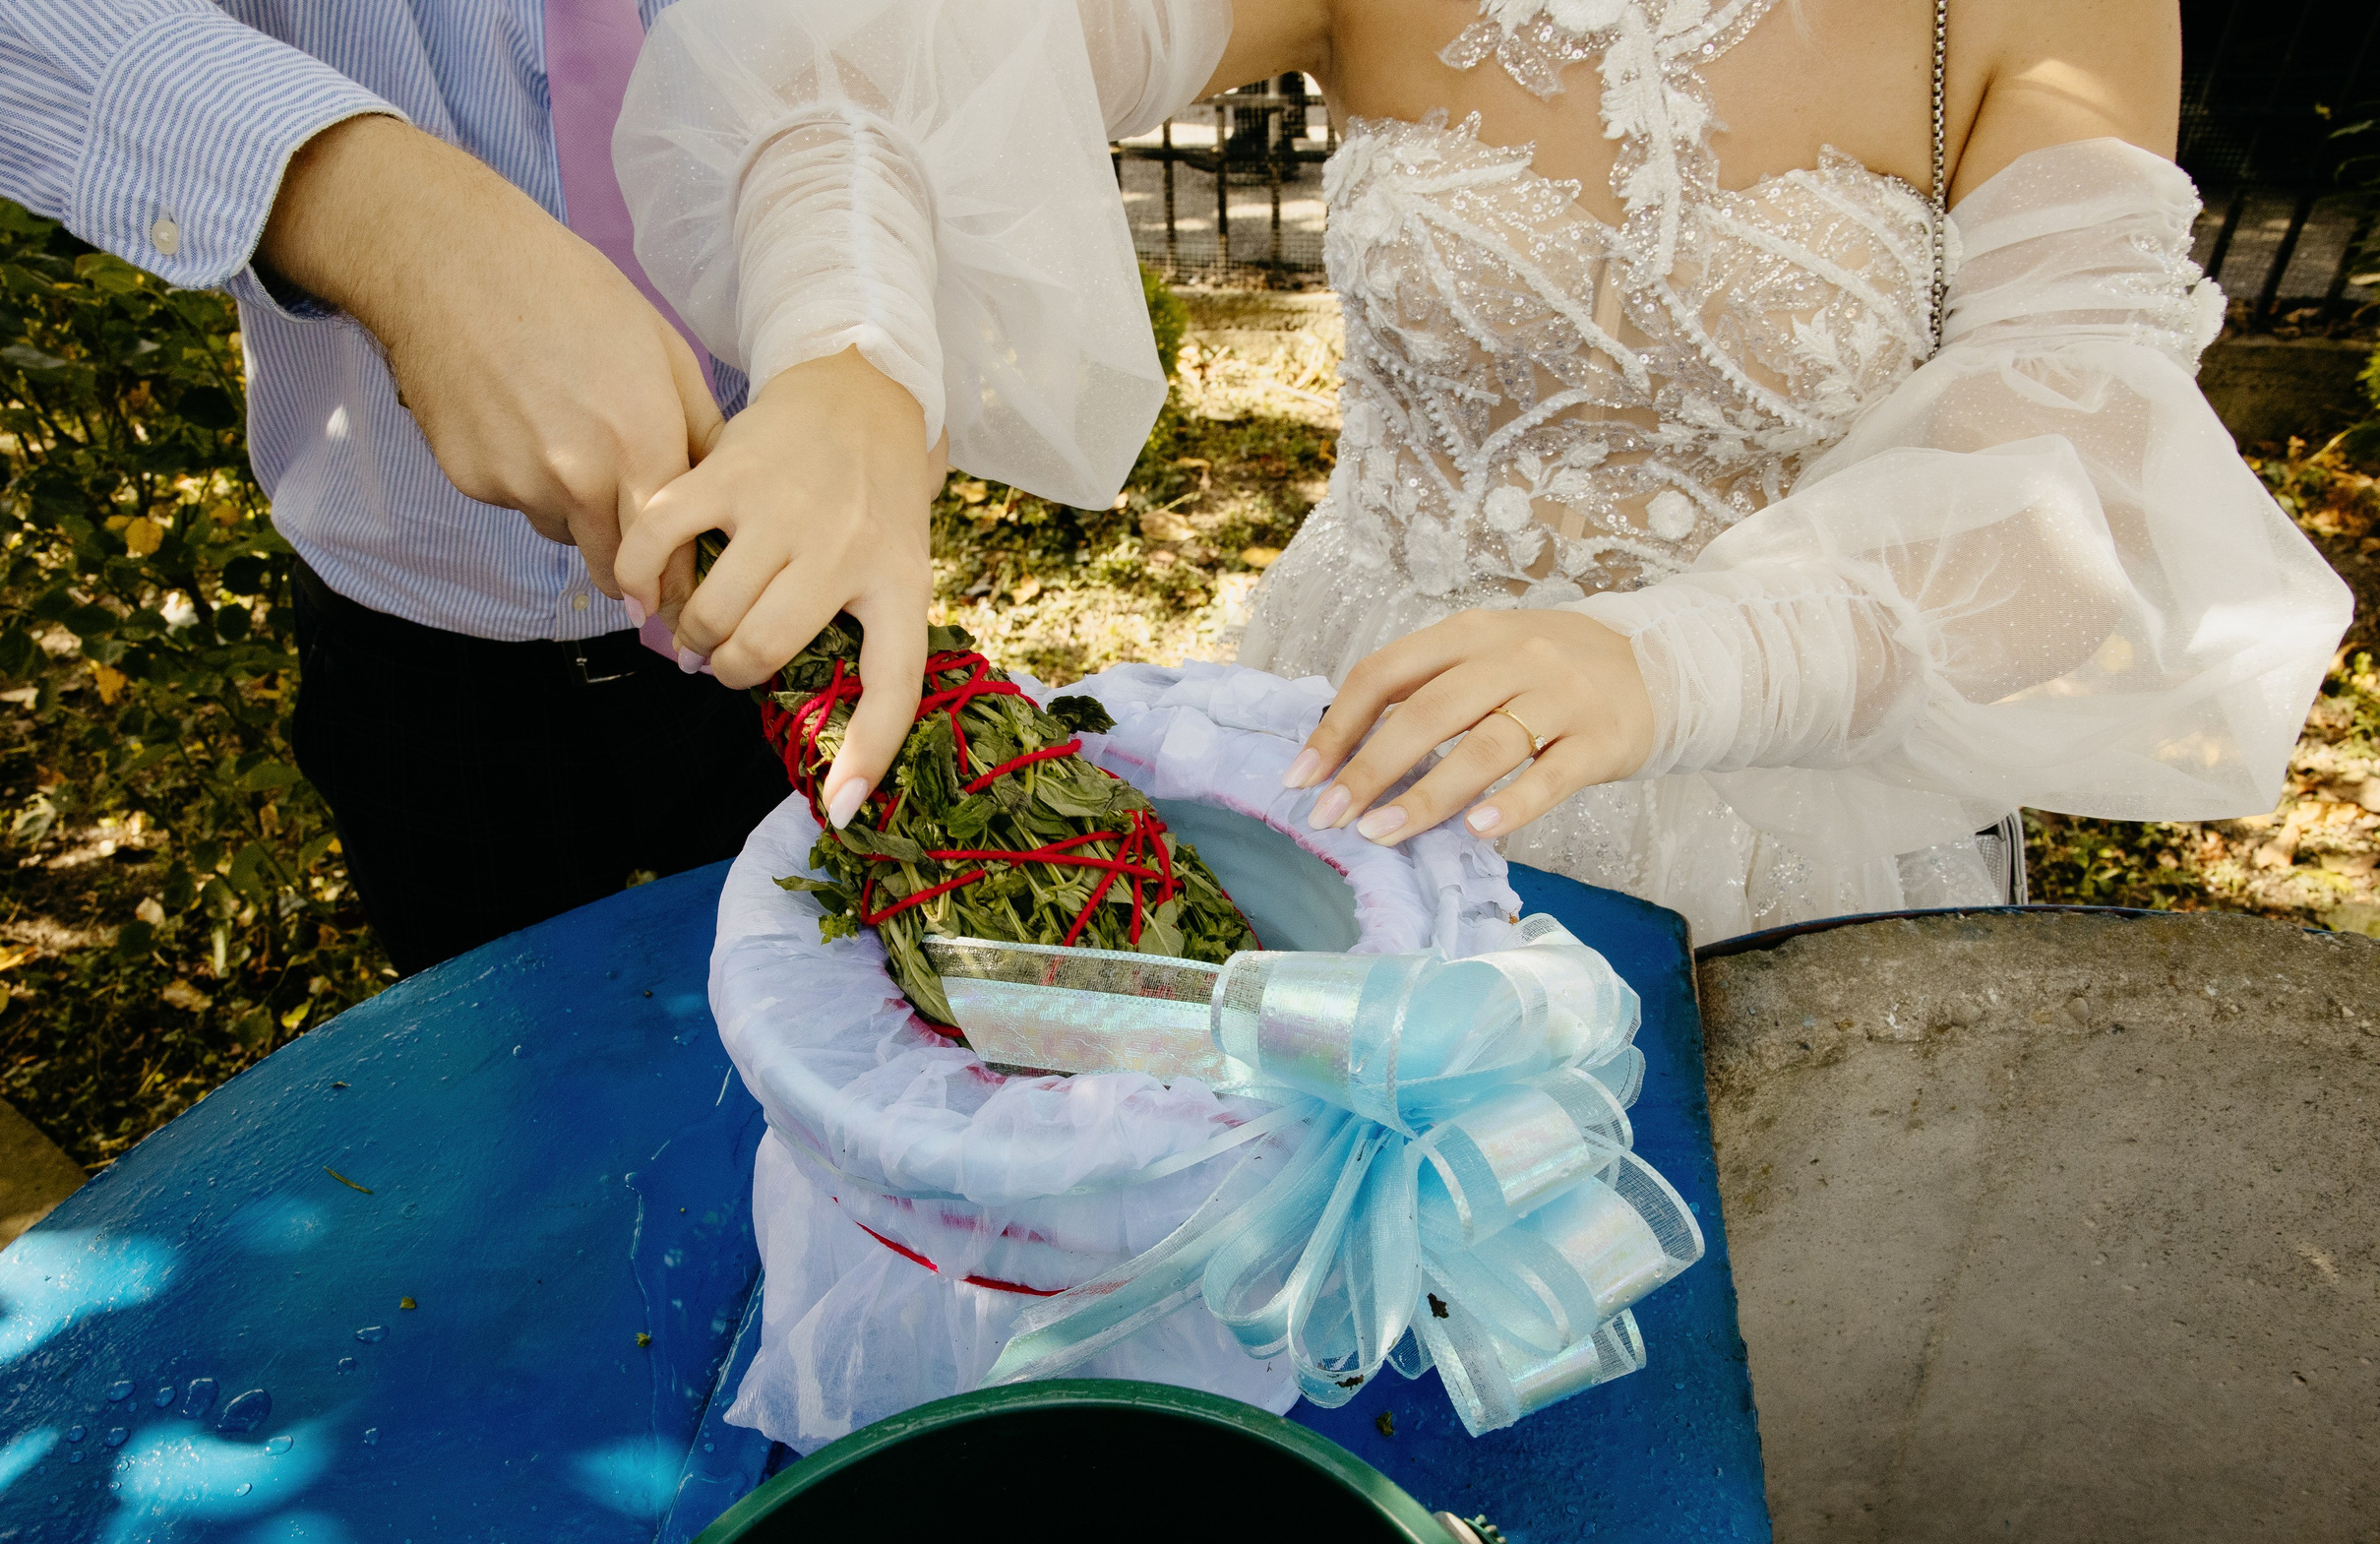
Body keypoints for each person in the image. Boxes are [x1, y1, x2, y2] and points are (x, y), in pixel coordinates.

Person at [611, 0, 2352, 946]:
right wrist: (849, 356)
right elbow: (875, 46)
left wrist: (1676, 659)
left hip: (1797, 817)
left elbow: (2083, 459)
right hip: (1361, 751)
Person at [0, 0, 944, 973]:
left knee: (849, 1014)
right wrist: (359, 198)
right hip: (418, 649)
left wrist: (852, 341)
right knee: (498, 1064)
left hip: (793, 602)